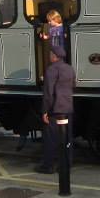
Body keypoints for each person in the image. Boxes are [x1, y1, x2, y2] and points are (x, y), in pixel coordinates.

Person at [37, 45, 75, 174]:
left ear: (54, 56)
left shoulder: (51, 70)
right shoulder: (69, 68)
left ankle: (48, 165)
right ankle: (66, 164)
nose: (49, 56)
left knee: (51, 138)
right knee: (67, 138)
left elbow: (48, 92)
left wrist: (44, 111)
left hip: (55, 109)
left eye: (50, 54)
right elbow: (73, 85)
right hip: (67, 108)